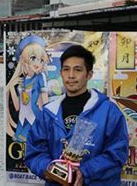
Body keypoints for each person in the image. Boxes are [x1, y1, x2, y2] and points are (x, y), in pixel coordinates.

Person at [24, 45, 129, 186]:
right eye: (66, 69)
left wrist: (85, 172)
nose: (71, 75)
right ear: (61, 73)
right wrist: (49, 168)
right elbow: (34, 152)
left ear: (89, 74)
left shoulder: (109, 111)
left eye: (78, 70)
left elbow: (117, 154)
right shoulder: (48, 113)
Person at [6, 35, 50, 142]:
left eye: (41, 60)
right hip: (22, 119)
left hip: (36, 118)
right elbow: (17, 106)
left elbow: (44, 102)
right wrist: (11, 88)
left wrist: (47, 120)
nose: (38, 63)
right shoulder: (22, 81)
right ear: (23, 59)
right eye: (33, 58)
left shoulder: (40, 77)